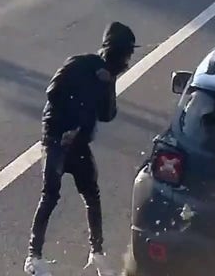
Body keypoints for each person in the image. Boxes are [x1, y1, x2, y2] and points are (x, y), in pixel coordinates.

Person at [23, 22, 138, 276]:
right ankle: (33, 257)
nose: (128, 59)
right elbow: (53, 92)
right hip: (56, 139)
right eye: (126, 53)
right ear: (115, 51)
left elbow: (108, 115)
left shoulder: (107, 77)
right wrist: (70, 125)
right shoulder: (80, 64)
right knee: (50, 195)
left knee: (92, 195)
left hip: (79, 144)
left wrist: (108, 85)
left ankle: (97, 253)